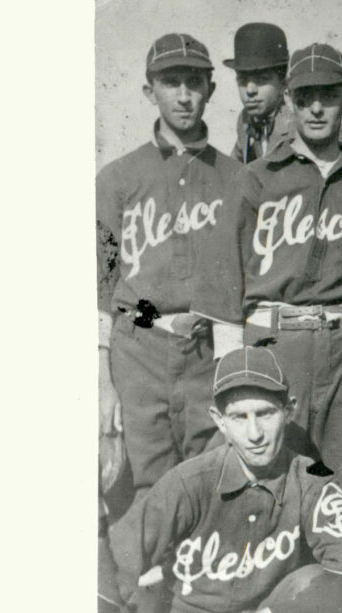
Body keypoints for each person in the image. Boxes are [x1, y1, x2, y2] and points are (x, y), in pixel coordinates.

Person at [199, 43, 342, 524]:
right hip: (273, 347)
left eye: (329, 96)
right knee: (267, 486)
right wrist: (233, 377)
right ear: (290, 100)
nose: (316, 108)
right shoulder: (254, 180)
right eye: (306, 95)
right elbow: (223, 286)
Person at [99, 34, 250, 582]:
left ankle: (200, 609)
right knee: (144, 486)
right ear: (149, 91)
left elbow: (241, 286)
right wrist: (103, 380)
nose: (184, 95)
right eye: (171, 83)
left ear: (211, 89)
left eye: (194, 83)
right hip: (140, 344)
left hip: (209, 349)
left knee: (208, 478)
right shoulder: (119, 178)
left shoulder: (238, 179)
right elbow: (101, 288)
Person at [123, 346, 342, 613]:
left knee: (315, 585)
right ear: (219, 421)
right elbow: (115, 563)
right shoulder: (190, 482)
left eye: (265, 413)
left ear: (289, 411)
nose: (254, 433)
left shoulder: (312, 477)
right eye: (239, 417)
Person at [224, 23, 342, 164]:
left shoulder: (309, 122)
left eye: (261, 79)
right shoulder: (245, 119)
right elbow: (233, 170)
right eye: (242, 80)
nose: (250, 90)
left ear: (283, 81)